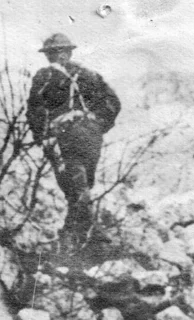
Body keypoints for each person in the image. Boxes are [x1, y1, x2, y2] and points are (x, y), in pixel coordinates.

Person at [27, 33, 121, 245]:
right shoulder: (89, 75)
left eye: (53, 52)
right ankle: (76, 230)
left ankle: (83, 234)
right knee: (83, 184)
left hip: (64, 136)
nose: (52, 57)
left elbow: (35, 110)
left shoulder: (45, 76)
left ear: (62, 53)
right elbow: (112, 103)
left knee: (73, 185)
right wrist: (97, 123)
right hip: (90, 135)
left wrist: (43, 137)